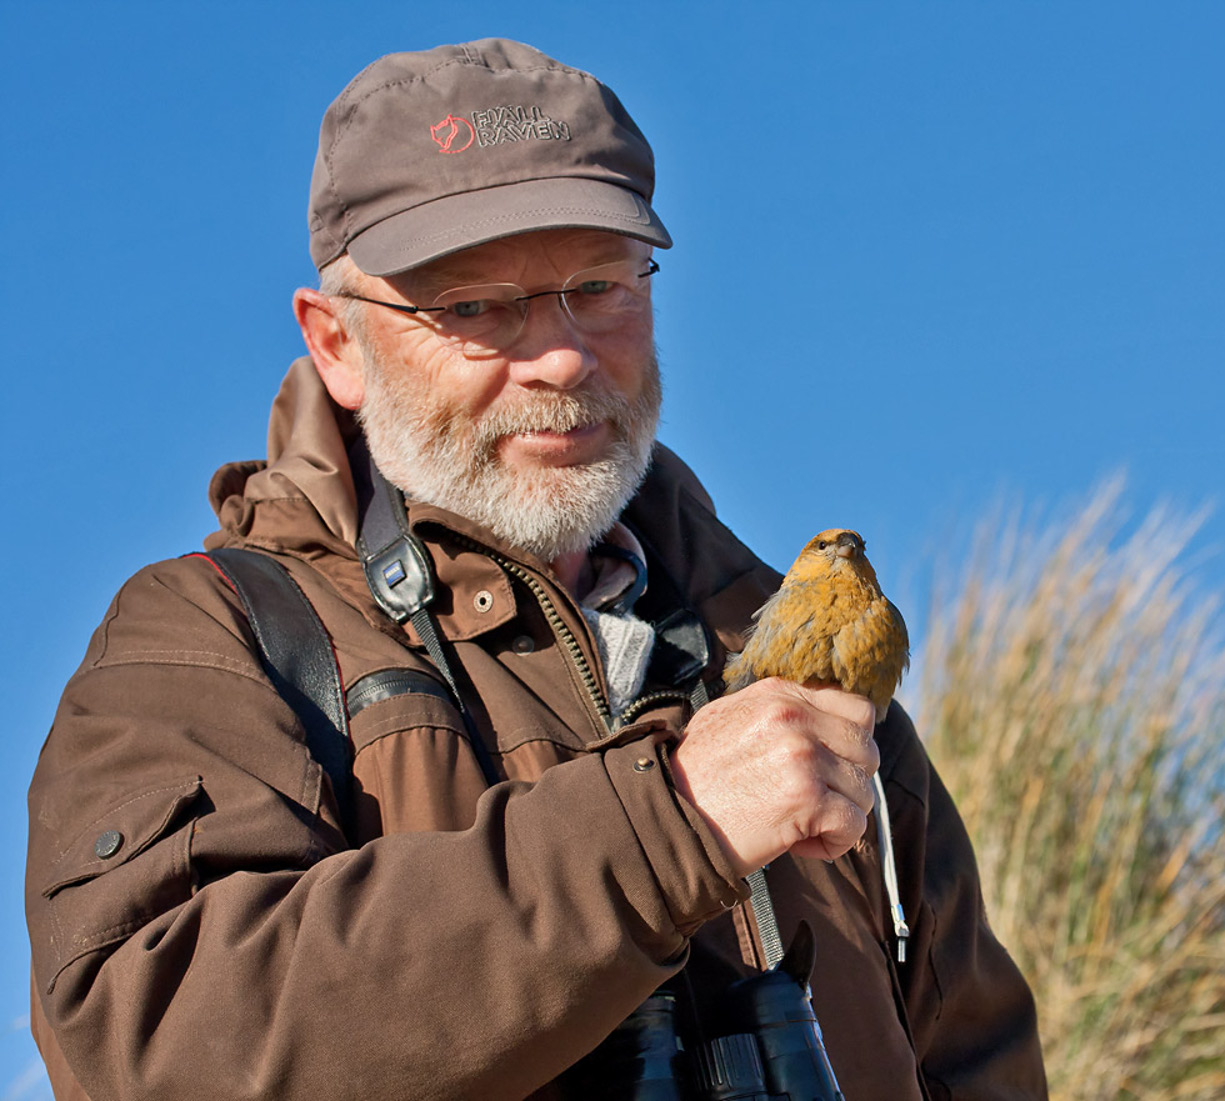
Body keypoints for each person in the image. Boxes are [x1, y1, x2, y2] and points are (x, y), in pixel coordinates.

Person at [25, 39, 1048, 1101]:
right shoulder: (213, 636)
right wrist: (671, 821)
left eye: (598, 285)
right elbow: (156, 1054)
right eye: (473, 307)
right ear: (335, 342)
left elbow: (977, 1061)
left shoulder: (783, 651)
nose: (560, 356)